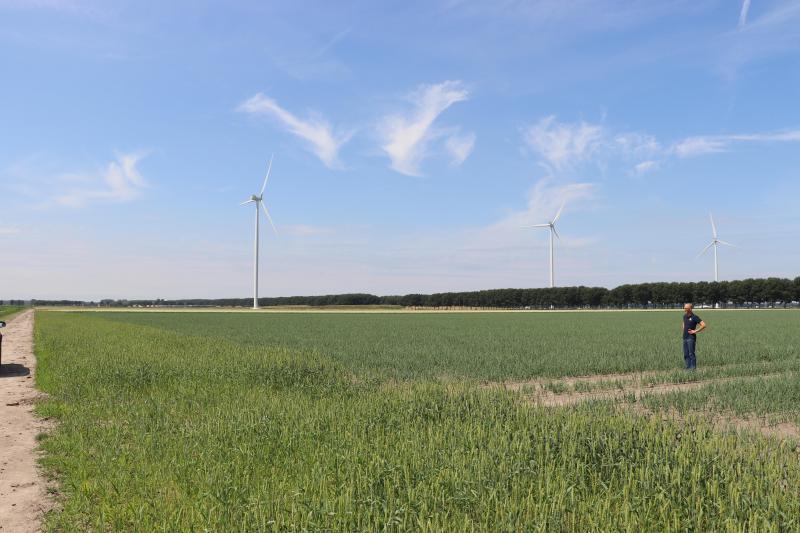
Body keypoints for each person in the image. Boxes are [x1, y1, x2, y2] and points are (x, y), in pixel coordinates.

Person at [681, 303, 706, 370]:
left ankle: (693, 369)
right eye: (684, 308)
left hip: (691, 338)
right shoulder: (684, 316)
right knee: (686, 354)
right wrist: (683, 329)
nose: (684, 309)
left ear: (690, 308)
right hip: (685, 337)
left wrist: (695, 331)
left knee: (691, 353)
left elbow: (703, 325)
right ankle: (688, 368)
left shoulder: (695, 317)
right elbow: (683, 323)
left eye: (686, 308)